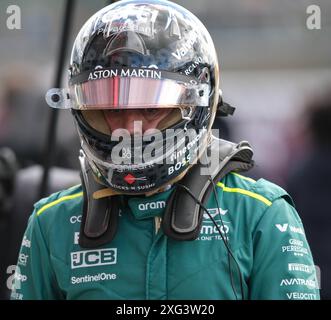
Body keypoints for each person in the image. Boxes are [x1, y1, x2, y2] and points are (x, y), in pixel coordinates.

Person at [11, 0, 320, 300]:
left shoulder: (260, 215)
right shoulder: (51, 222)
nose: (130, 128)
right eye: (112, 110)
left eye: (149, 109)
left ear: (195, 104)